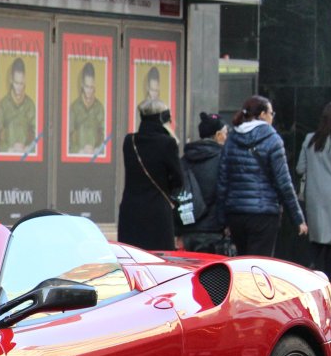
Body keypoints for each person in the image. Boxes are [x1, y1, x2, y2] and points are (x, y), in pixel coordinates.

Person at [214, 95, 307, 256]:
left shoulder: (232, 139)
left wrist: (223, 220)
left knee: (242, 264)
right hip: (264, 215)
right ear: (263, 114)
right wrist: (297, 218)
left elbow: (223, 181)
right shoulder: (272, 139)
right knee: (260, 266)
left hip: (236, 214)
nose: (272, 117)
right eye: (271, 113)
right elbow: (284, 182)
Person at [297, 102, 331, 284]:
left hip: (314, 195)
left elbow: (299, 168)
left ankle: (310, 276)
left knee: (316, 238)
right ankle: (330, 283)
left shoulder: (309, 139)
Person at [118, 98, 183, 250]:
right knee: (159, 259)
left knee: (132, 257)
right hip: (158, 211)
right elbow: (178, 179)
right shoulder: (168, 143)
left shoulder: (129, 141)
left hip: (131, 209)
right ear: (163, 118)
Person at [178, 112, 228, 253]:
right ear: (218, 135)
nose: (226, 137)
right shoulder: (223, 159)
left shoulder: (185, 159)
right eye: (225, 133)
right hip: (214, 231)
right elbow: (225, 194)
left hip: (187, 229)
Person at [0, 57, 36, 155]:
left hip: (27, 158)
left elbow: (40, 136)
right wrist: (8, 150)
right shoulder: (3, 105)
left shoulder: (30, 105)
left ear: (25, 80)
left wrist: (29, 148)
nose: (19, 87)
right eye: (16, 83)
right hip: (6, 159)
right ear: (11, 80)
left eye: (21, 84)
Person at [67, 62, 105, 157]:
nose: (89, 91)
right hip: (78, 158)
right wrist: (79, 151)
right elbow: (67, 138)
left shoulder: (100, 108)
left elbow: (106, 136)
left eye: (91, 87)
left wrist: (97, 150)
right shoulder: (74, 108)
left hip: (96, 158)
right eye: (87, 87)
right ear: (82, 85)